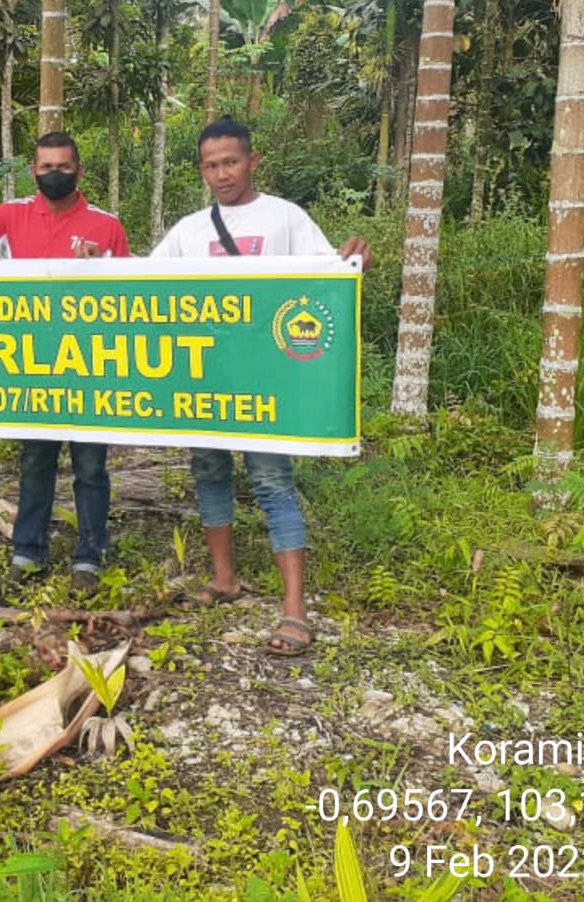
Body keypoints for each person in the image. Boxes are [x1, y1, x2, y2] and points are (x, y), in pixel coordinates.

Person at [150, 115, 371, 656]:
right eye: (211, 166)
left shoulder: (285, 217)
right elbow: (145, 285)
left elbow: (328, 274)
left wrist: (353, 262)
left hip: (266, 383)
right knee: (209, 473)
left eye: (231, 162)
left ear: (252, 161)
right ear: (201, 170)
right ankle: (223, 578)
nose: (222, 174)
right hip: (205, 379)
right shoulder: (188, 230)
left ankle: (295, 609)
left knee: (272, 481)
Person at [0, 132, 130, 595]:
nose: (54, 174)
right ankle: (28, 552)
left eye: (63, 166)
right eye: (46, 167)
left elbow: (128, 293)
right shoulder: (11, 216)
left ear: (79, 171)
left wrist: (100, 266)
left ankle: (90, 556)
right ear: (33, 170)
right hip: (33, 366)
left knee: (91, 466)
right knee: (36, 459)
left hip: (90, 365)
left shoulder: (106, 225)